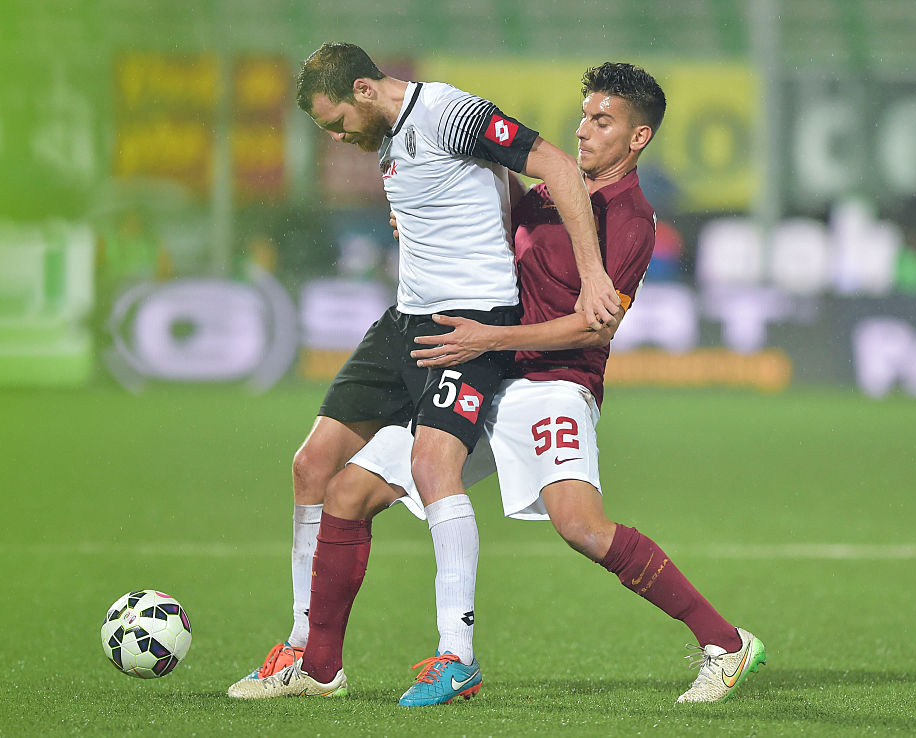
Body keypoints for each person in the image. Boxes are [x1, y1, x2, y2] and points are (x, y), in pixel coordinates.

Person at [229, 62, 766, 706]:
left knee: (581, 527)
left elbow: (593, 333)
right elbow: (484, 220)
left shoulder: (630, 218)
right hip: (492, 368)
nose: (585, 130)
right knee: (349, 489)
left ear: (638, 138)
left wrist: (489, 340)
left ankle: (726, 644)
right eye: (584, 116)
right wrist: (422, 220)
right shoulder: (547, 199)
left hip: (554, 383)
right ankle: (318, 667)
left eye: (603, 121)